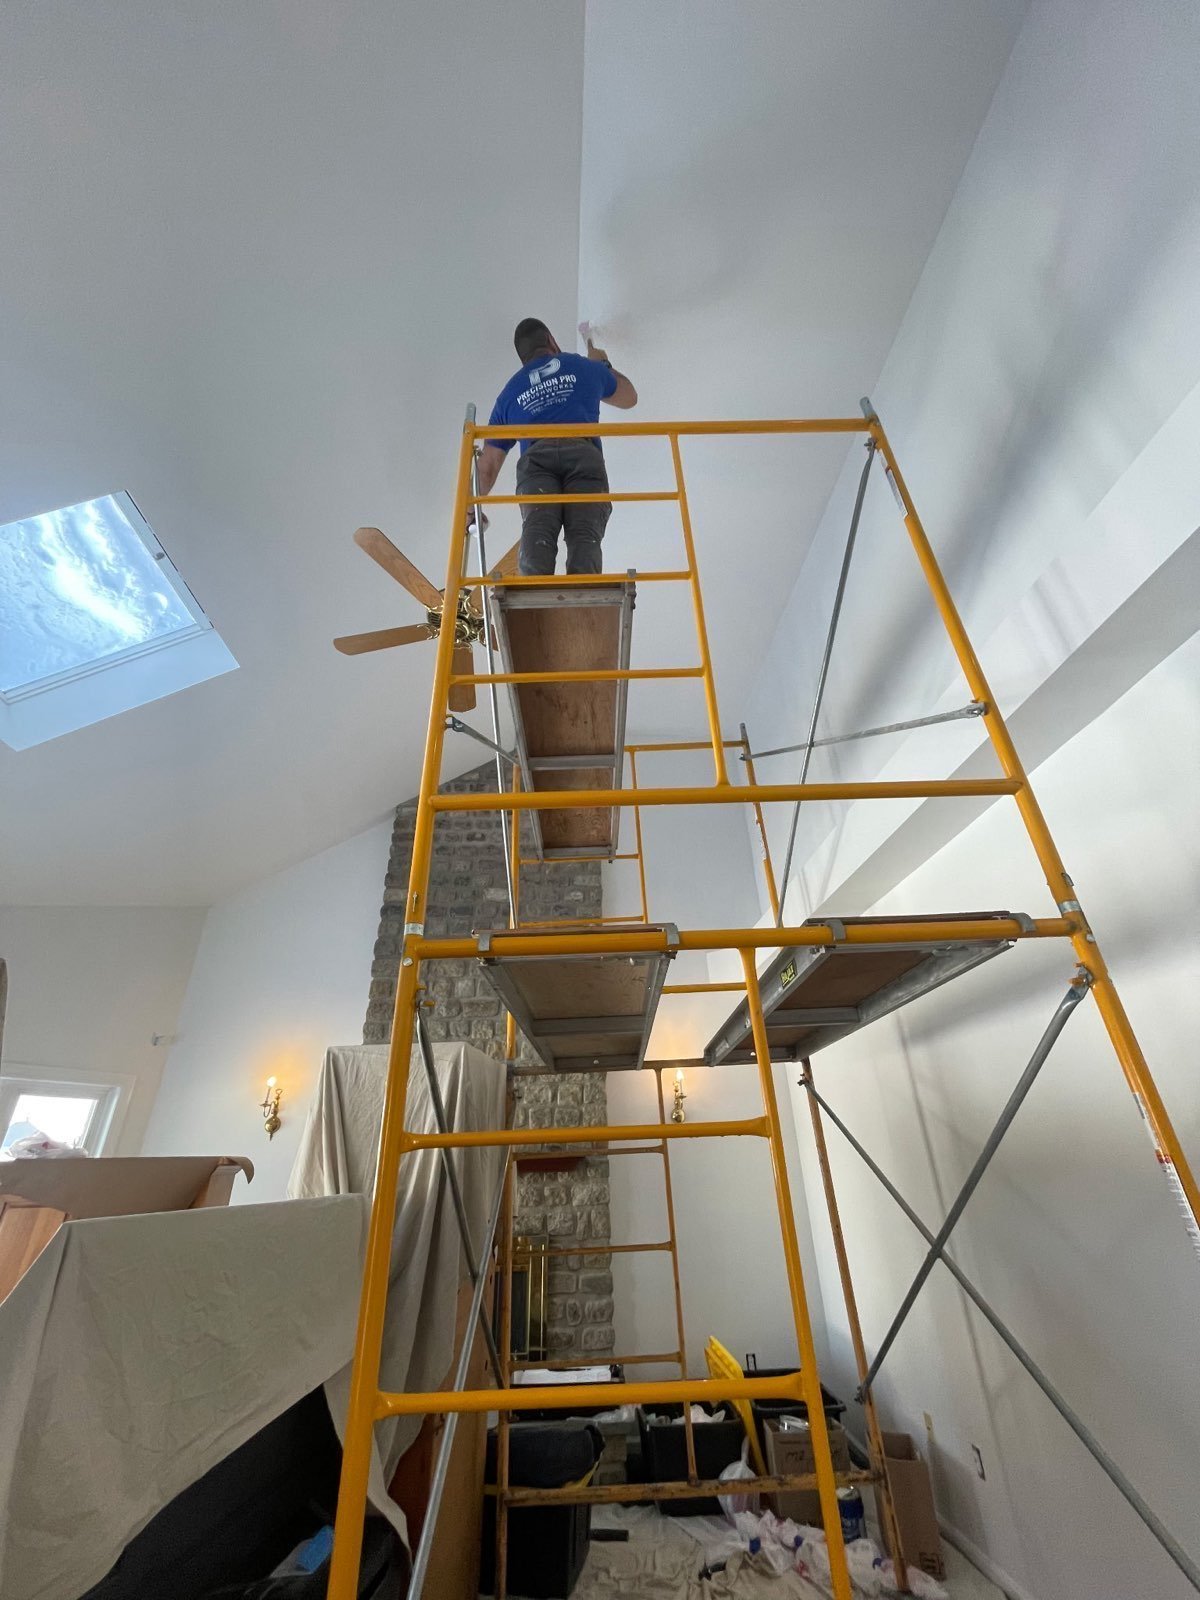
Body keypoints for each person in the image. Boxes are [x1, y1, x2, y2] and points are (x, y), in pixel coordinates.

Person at [475, 318, 637, 576]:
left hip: (536, 464)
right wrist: (603, 365)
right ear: (551, 340)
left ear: (523, 359)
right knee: (584, 535)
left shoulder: (510, 393)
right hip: (583, 455)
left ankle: (534, 598)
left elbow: (488, 468)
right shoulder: (582, 366)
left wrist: (468, 507)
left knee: (537, 529)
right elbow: (629, 397)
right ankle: (583, 597)